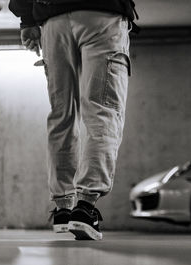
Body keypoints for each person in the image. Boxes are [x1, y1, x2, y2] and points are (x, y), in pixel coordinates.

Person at [8, 0, 138, 240]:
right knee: (102, 111)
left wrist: (27, 20)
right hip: (102, 16)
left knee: (62, 115)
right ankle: (85, 207)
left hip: (52, 20)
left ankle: (63, 208)